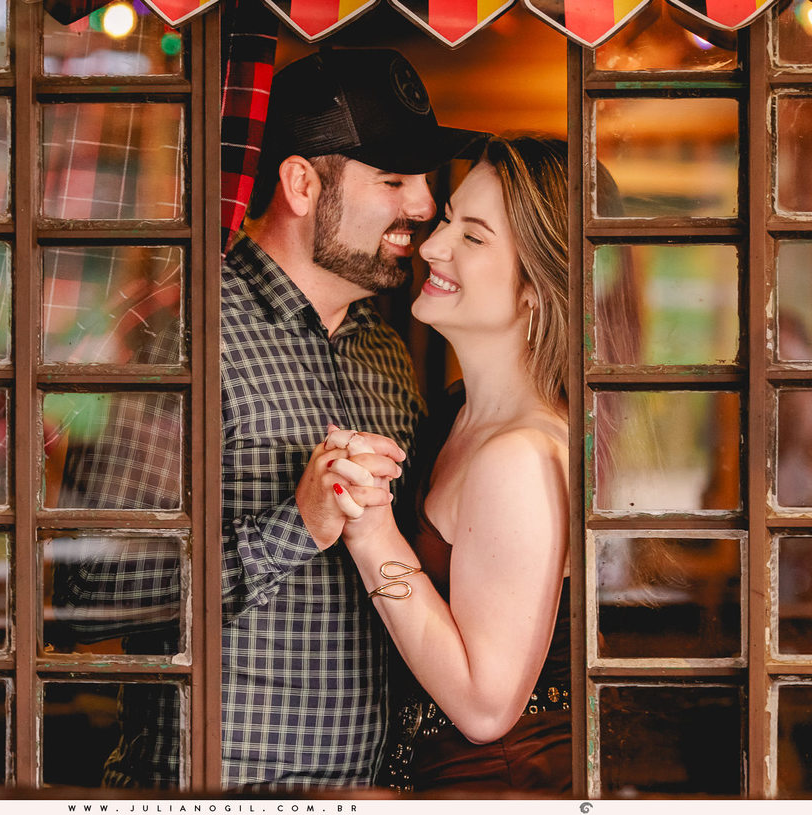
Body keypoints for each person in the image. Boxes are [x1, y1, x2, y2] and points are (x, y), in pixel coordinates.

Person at [54, 47, 486, 789]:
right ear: (299, 182)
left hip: (378, 794)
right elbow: (80, 594)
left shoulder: (383, 351)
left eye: (421, 179)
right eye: (392, 179)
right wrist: (296, 526)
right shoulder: (182, 337)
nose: (421, 204)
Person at [321, 135, 573, 793]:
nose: (432, 245)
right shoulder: (454, 414)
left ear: (535, 292)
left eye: (475, 236)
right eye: (449, 219)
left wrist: (373, 534)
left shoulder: (520, 456)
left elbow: (486, 707)